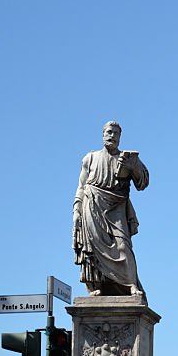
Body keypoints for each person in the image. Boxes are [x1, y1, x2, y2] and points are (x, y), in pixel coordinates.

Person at [73, 121, 149, 298]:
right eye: (109, 132)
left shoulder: (127, 157)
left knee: (123, 245)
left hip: (116, 206)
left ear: (120, 137)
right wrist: (77, 208)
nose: (112, 135)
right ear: (103, 135)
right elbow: (81, 186)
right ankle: (95, 285)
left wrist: (133, 167)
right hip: (92, 205)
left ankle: (131, 285)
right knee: (92, 245)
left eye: (116, 133)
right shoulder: (90, 158)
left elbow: (143, 182)